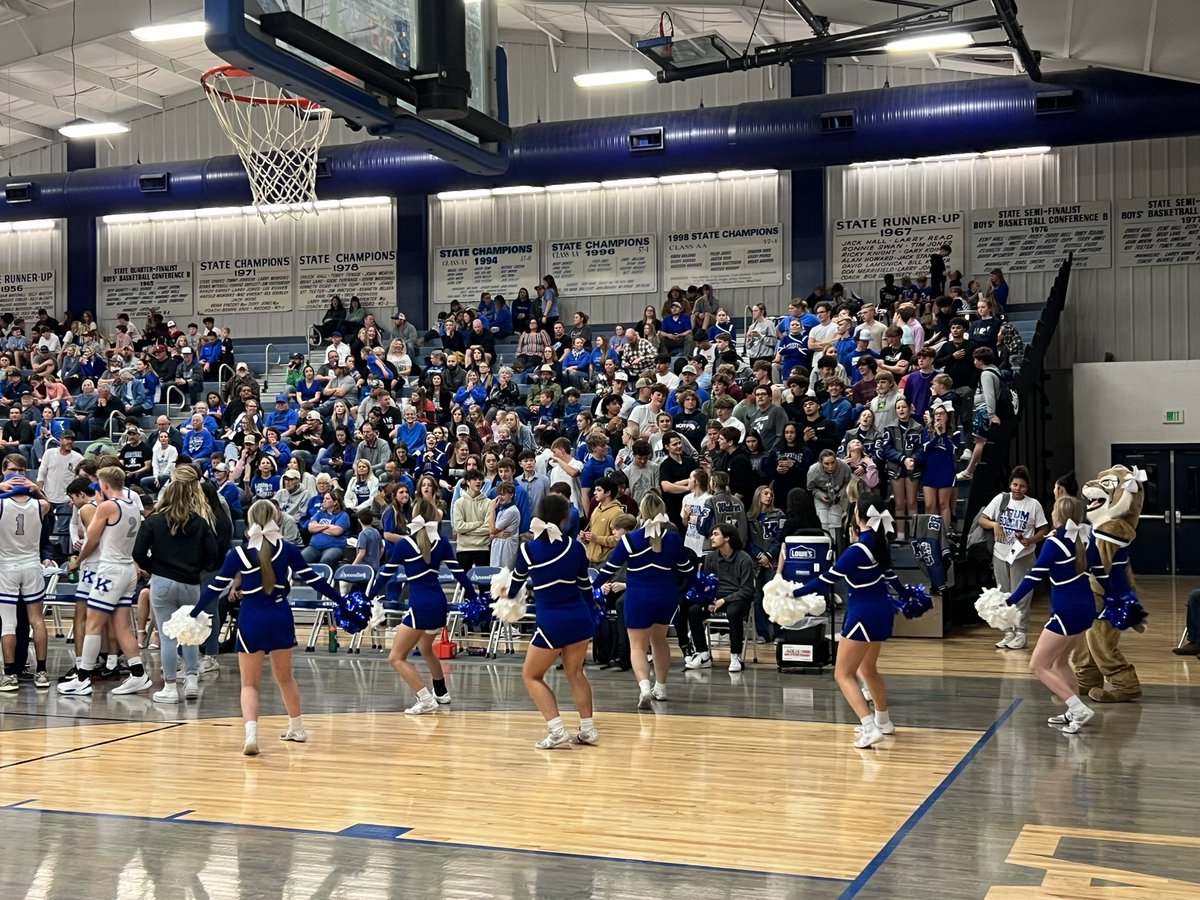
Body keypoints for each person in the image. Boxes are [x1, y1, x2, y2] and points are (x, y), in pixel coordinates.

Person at [192, 499, 340, 754]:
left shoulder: (237, 554)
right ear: (277, 518)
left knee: (249, 684)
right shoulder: (288, 549)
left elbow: (215, 588)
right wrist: (342, 601)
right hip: (281, 616)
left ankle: (251, 735)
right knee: (285, 678)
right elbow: (316, 581)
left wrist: (194, 613)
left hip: (251, 618)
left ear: (249, 521)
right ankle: (298, 727)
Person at [790, 494, 902, 748]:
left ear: (859, 517)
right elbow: (894, 580)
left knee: (843, 674)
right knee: (867, 669)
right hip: (882, 612)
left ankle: (870, 727)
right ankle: (883, 720)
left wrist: (792, 593)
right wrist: (908, 597)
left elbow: (825, 580)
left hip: (863, 615)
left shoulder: (858, 549)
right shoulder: (879, 543)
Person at [499, 493, 597, 749]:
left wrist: (503, 593)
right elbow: (585, 586)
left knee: (531, 675)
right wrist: (592, 615)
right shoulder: (576, 547)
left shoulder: (528, 549)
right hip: (579, 618)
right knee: (576, 673)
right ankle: (587, 729)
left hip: (552, 622)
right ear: (565, 517)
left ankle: (556, 730)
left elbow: (515, 586)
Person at [1001, 496, 1097, 734]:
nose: (1051, 512)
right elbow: (1098, 569)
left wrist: (1008, 601)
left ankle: (1079, 708)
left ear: (1059, 515)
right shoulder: (1087, 537)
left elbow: (1033, 576)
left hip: (1066, 611)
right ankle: (1072, 711)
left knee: (1037, 665)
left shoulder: (1055, 543)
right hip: (1085, 608)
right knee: (1060, 661)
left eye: (1053, 509)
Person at [372, 498, 477, 714]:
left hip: (420, 605)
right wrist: (475, 598)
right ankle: (441, 691)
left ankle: (425, 698)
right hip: (439, 605)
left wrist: (367, 596)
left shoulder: (404, 544)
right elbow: (461, 575)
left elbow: (385, 574)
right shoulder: (443, 543)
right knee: (425, 648)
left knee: (396, 657)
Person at [594, 492, 695, 707]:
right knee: (659, 641)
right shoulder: (672, 539)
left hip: (638, 596)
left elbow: (608, 569)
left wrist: (590, 587)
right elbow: (688, 570)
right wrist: (699, 588)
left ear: (641, 512)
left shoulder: (630, 539)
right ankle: (661, 687)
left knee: (638, 646)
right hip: (665, 596)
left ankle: (645, 688)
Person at [58, 466, 150, 697]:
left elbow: (92, 540)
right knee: (121, 625)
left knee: (93, 623)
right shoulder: (131, 504)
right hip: (128, 567)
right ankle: (138, 674)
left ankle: (82, 678)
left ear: (105, 484)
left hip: (110, 569)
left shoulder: (108, 506)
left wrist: (78, 562)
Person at [131, 470, 221, 703]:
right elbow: (213, 555)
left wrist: (155, 568)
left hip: (161, 582)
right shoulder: (199, 522)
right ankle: (191, 679)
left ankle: (170, 687)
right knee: (189, 634)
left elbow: (138, 552)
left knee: (168, 636)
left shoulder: (154, 521)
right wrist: (195, 567)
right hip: (190, 582)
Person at [979, 465, 1050, 651]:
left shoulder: (1033, 504)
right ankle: (1008, 632)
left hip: (1023, 554)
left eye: (1022, 486)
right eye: (1015, 484)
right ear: (1010, 484)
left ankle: (1021, 632)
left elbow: (1044, 530)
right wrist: (995, 525)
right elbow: (982, 519)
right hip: (1000, 553)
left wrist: (1031, 540)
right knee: (1003, 593)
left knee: (1022, 594)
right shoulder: (1001, 499)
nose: (1018, 489)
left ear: (1027, 488)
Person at [0, 472, 52, 690]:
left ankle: (10, 674)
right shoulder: (40, 506)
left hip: (7, 566)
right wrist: (36, 488)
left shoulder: (2, 505)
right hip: (32, 565)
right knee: (37, 620)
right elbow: (47, 501)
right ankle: (41, 672)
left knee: (9, 623)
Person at [685, 524, 758, 673]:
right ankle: (703, 654)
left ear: (727, 537)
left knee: (734, 612)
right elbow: (706, 585)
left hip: (737, 598)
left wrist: (724, 600)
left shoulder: (744, 559)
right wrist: (708, 600)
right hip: (715, 598)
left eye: (715, 534)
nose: (711, 537)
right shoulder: (711, 557)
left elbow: (747, 590)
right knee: (694, 611)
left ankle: (735, 656)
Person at [302, 490, 350, 565]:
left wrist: (318, 528)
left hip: (334, 547)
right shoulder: (319, 513)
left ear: (335, 502)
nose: (324, 500)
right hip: (315, 547)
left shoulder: (342, 515)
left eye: (327, 499)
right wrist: (327, 526)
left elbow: (336, 531)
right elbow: (311, 528)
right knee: (301, 558)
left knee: (326, 560)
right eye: (324, 498)